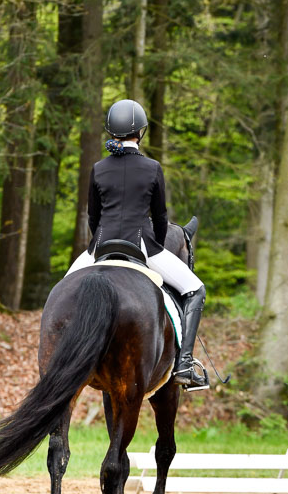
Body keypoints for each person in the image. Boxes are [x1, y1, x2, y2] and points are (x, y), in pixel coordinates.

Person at [66, 99, 207, 389]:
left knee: (63, 292)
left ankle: (60, 358)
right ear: (140, 133)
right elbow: (161, 217)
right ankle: (184, 364)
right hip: (142, 245)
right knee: (195, 289)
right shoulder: (153, 167)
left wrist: (99, 244)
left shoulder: (98, 168)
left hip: (100, 247)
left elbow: (93, 216)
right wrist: (154, 245)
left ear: (110, 131)